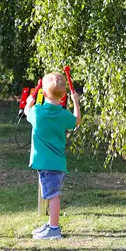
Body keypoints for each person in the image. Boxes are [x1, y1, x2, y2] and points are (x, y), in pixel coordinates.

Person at [24, 72, 81, 239]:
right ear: (64, 95)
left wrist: (29, 102)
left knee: (53, 196)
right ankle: (51, 224)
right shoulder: (63, 115)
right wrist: (76, 102)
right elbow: (77, 120)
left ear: (44, 92)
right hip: (56, 162)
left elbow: (27, 111)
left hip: (47, 163)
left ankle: (54, 229)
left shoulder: (37, 112)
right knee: (51, 194)